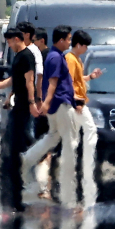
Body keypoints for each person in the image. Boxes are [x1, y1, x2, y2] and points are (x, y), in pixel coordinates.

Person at [0, 26, 39, 208]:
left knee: (17, 143)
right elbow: (15, 80)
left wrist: (31, 103)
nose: (9, 45)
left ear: (16, 39)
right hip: (18, 103)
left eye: (9, 41)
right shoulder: (18, 57)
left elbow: (29, 82)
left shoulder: (27, 56)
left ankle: (23, 184)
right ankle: (16, 183)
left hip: (24, 106)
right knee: (13, 143)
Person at [21, 26, 78, 205]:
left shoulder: (55, 56)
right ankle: (69, 184)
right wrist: (45, 102)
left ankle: (26, 160)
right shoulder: (55, 57)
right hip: (60, 105)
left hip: (57, 105)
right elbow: (52, 83)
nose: (69, 43)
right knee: (70, 141)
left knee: (53, 138)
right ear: (60, 40)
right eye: (68, 39)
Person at [66, 29, 102, 206]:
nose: (86, 49)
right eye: (85, 46)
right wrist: (77, 101)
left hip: (77, 101)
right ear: (78, 45)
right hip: (76, 103)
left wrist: (91, 77)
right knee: (90, 130)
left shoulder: (76, 59)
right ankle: (87, 165)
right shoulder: (71, 60)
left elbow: (79, 80)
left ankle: (77, 166)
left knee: (77, 135)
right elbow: (69, 83)